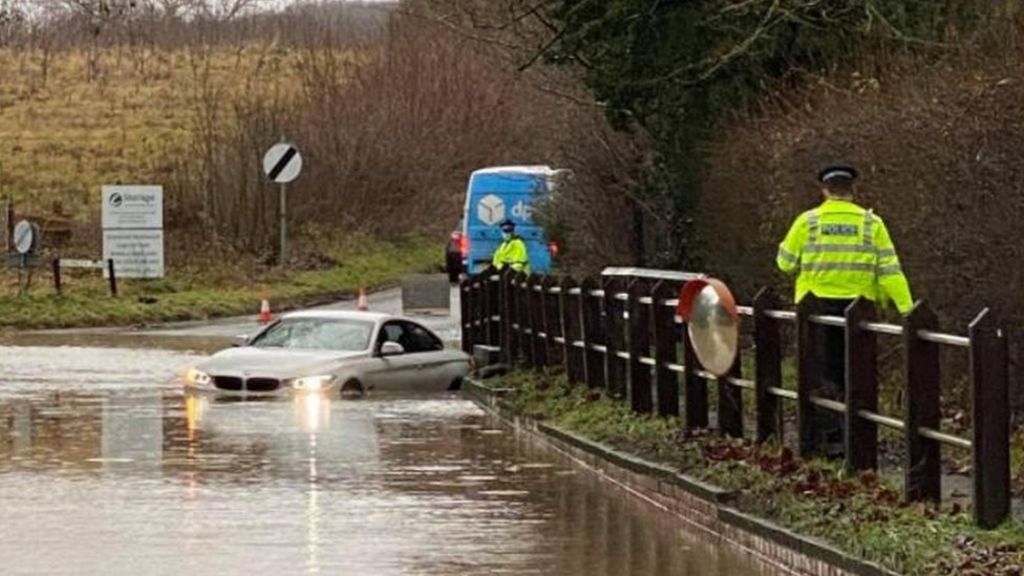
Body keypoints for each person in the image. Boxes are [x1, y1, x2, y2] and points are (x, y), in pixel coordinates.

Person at [776, 165, 913, 456]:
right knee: (856, 372)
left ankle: (825, 438)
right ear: (853, 191)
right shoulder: (870, 224)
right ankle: (857, 438)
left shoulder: (808, 222)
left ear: (824, 191)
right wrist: (908, 310)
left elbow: (785, 263)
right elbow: (890, 271)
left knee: (820, 373)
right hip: (859, 311)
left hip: (815, 312)